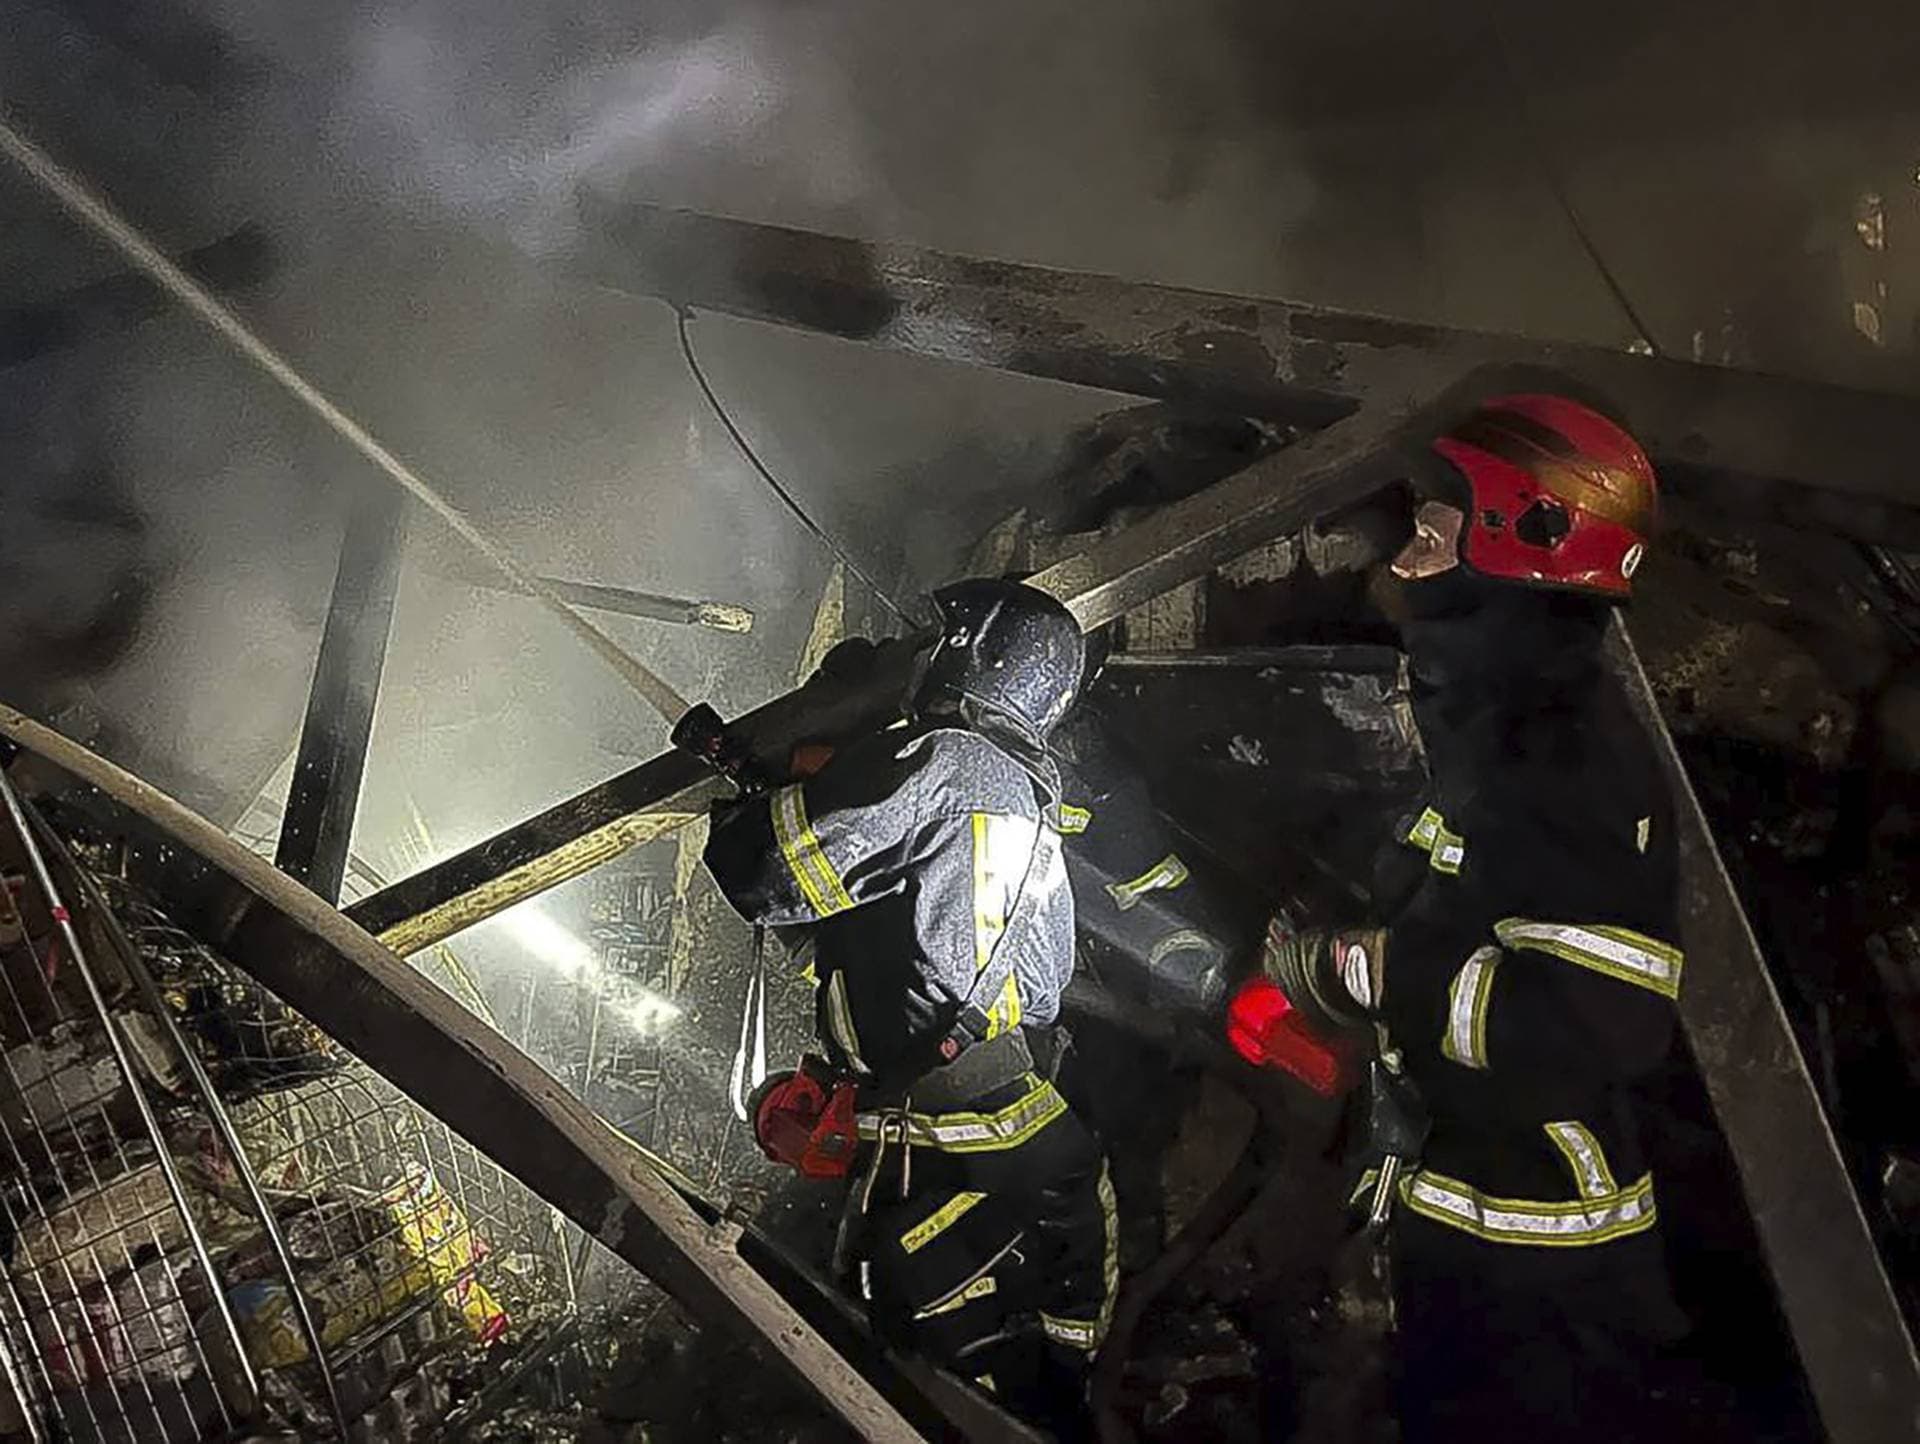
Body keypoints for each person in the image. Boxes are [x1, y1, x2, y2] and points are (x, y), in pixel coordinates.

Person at [1260, 395, 1690, 1442]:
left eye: (1432, 534)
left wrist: (1368, 969)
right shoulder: (1498, 721)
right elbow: (1466, 888)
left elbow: (1603, 1022)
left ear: (1519, 542)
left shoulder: (1561, 747)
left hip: (1541, 1248)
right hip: (1476, 1214)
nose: (1406, 560)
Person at [703, 577, 1117, 1432]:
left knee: (916, 1375)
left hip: (944, 1152)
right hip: (1024, 1127)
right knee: (1024, 1391)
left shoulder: (949, 761)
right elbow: (1030, 987)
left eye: (946, 643)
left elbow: (764, 874)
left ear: (979, 658)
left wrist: (748, 808)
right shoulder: (1035, 810)